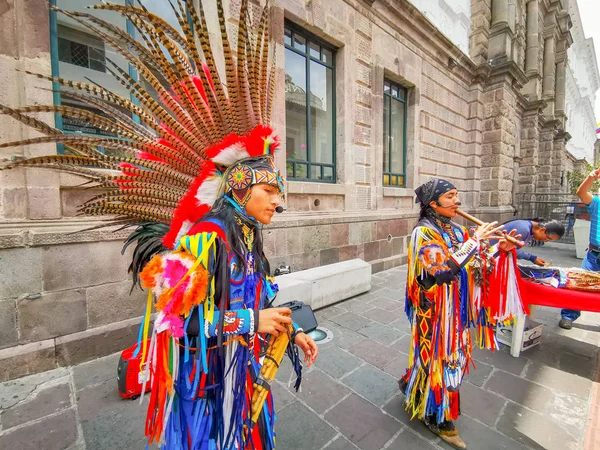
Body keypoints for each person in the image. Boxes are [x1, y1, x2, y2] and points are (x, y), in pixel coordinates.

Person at [0, 1, 318, 448]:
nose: (278, 202)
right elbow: (172, 322)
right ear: (241, 189)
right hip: (204, 385)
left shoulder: (248, 235)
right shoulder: (205, 239)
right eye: (271, 192)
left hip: (240, 373)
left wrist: (294, 327)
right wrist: (248, 322)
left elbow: (261, 293)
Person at [399, 178, 521, 449]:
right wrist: (475, 240)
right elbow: (442, 271)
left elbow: (476, 264)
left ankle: (415, 387)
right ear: (433, 203)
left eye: (457, 195)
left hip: (458, 309)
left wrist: (499, 250)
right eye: (450, 196)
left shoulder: (457, 230)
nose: (457, 201)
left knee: (447, 359)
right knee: (441, 360)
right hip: (436, 313)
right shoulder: (424, 233)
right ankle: (436, 415)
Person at [559, 167, 600, 330]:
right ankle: (568, 316)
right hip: (594, 255)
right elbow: (581, 192)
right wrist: (591, 177)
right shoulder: (597, 203)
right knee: (580, 285)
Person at [491, 218, 565, 266]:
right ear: (542, 230)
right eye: (548, 238)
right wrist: (532, 258)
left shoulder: (530, 228)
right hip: (491, 253)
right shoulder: (524, 229)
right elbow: (511, 249)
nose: (546, 241)